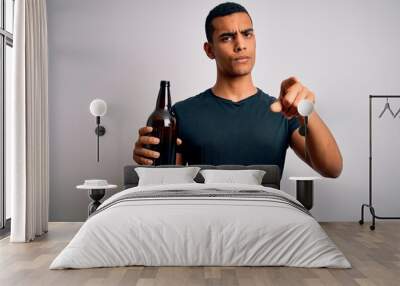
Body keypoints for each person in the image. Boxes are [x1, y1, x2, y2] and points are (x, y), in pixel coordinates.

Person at [133, 2, 343, 178]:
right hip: (203, 222)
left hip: (267, 223)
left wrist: (307, 111)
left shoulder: (283, 111)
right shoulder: (183, 112)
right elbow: (167, 182)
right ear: (209, 50)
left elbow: (332, 169)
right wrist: (148, 160)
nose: (240, 44)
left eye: (247, 34)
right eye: (227, 37)